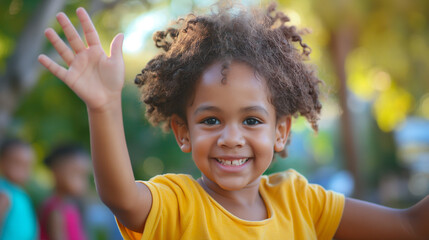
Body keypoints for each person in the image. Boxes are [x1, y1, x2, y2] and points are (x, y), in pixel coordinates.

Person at [38, 2, 429, 239]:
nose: (231, 137)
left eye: (252, 121)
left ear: (281, 131)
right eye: (210, 121)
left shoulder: (302, 202)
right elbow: (121, 199)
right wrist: (103, 106)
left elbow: (411, 228)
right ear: (182, 132)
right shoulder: (179, 203)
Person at [39, 144, 90, 240]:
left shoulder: (71, 206)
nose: (83, 182)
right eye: (77, 174)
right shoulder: (55, 210)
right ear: (57, 171)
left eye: (84, 175)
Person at [0, 138, 38, 239]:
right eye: (18, 164)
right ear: (2, 162)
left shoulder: (22, 194)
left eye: (27, 165)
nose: (24, 170)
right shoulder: (4, 194)